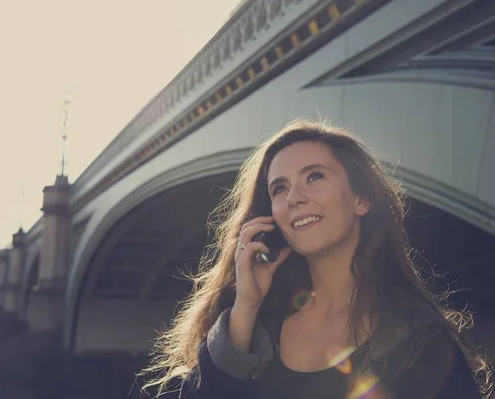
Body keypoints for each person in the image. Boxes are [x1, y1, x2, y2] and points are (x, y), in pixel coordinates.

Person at [139, 120, 492, 398]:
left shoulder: (420, 337)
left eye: (314, 176)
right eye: (280, 188)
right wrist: (245, 306)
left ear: (361, 200)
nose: (294, 197)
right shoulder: (258, 323)